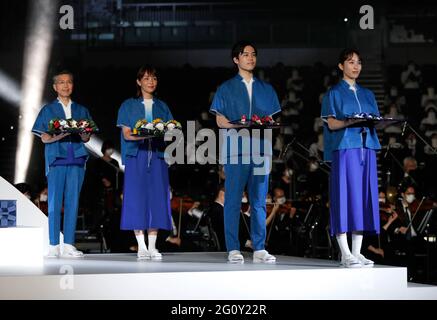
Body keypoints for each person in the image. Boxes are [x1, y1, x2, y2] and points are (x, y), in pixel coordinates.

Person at [209, 40, 281, 263]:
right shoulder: (226, 88)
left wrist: (262, 124)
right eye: (245, 54)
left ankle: (259, 247)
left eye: (253, 54)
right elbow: (220, 121)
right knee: (232, 200)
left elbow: (272, 119)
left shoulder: (266, 89)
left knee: (259, 201)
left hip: (261, 149)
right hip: (236, 150)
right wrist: (239, 125)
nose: (250, 58)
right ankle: (233, 248)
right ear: (236, 59)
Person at [321, 49, 381, 268]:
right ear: (341, 66)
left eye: (358, 62)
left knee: (363, 198)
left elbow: (375, 119)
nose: (355, 66)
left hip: (367, 148)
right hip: (345, 148)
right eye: (350, 62)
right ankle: (345, 253)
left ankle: (357, 252)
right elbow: (332, 123)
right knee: (344, 198)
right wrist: (350, 122)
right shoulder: (334, 93)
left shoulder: (368, 94)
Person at [31, 70, 94, 258]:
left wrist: (84, 134)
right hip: (57, 158)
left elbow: (86, 137)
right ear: (55, 87)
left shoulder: (82, 110)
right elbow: (43, 137)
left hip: (76, 158)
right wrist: (57, 136)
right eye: (61, 82)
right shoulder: (48, 110)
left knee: (73, 202)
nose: (66, 85)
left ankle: (68, 244)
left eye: (69, 82)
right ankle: (53, 245)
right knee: (54, 202)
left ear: (72, 85)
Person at [116, 65, 173, 260]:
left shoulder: (162, 106)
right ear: (139, 81)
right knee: (136, 199)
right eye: (146, 78)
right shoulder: (128, 105)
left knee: (157, 199)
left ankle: (153, 245)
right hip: (136, 157)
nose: (151, 82)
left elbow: (171, 131)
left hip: (157, 156)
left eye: (154, 78)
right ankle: (140, 245)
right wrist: (144, 134)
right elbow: (126, 134)